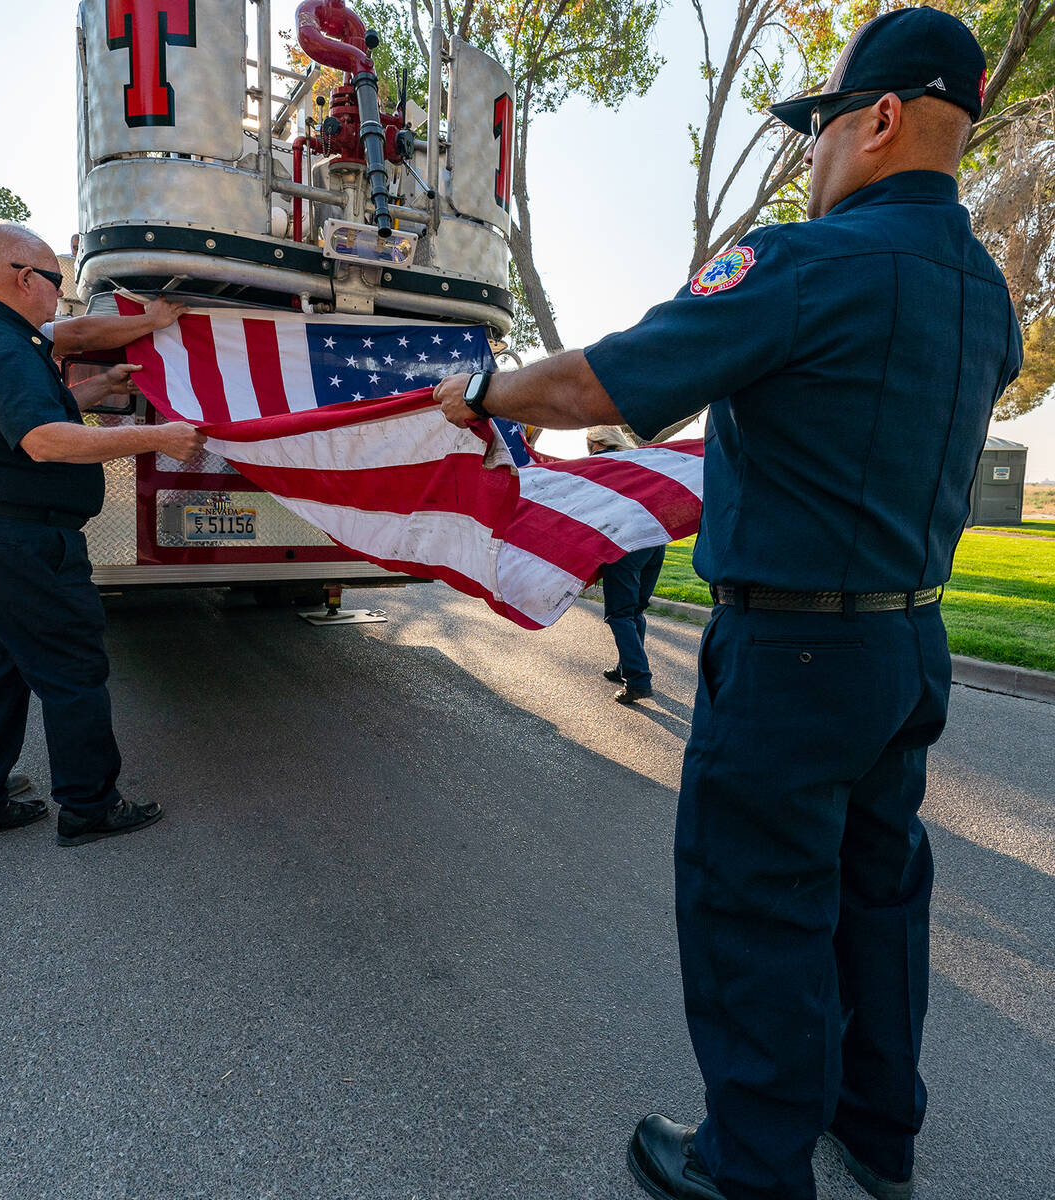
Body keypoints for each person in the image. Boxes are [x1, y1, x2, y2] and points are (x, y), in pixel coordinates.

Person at [435, 10, 1022, 1199]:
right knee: (878, 892)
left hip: (793, 650)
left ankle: (748, 1169)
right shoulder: (984, 291)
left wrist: (480, 390)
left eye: (817, 130)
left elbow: (604, 377)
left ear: (879, 119)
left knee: (755, 900)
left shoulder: (799, 265)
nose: (811, 156)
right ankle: (877, 1132)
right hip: (909, 639)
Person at [0, 224, 204, 850]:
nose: (60, 295)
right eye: (56, 281)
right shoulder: (4, 344)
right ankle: (89, 806)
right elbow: (42, 439)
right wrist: (157, 437)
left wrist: (94, 390)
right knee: (71, 671)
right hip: (24, 540)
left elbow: (12, 418)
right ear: (24, 277)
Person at [587, 425, 666, 704]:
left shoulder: (601, 463)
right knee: (635, 610)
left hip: (626, 543)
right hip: (655, 541)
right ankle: (625, 667)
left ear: (598, 442)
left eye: (589, 444)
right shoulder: (638, 461)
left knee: (620, 614)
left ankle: (638, 680)